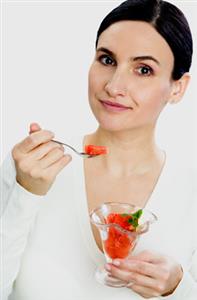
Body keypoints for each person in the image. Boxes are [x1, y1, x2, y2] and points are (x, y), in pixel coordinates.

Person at [1, 0, 196, 299]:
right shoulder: (31, 167)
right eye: (107, 60)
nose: (115, 85)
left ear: (178, 88)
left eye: (143, 69)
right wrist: (25, 194)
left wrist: (178, 288)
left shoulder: (190, 194)